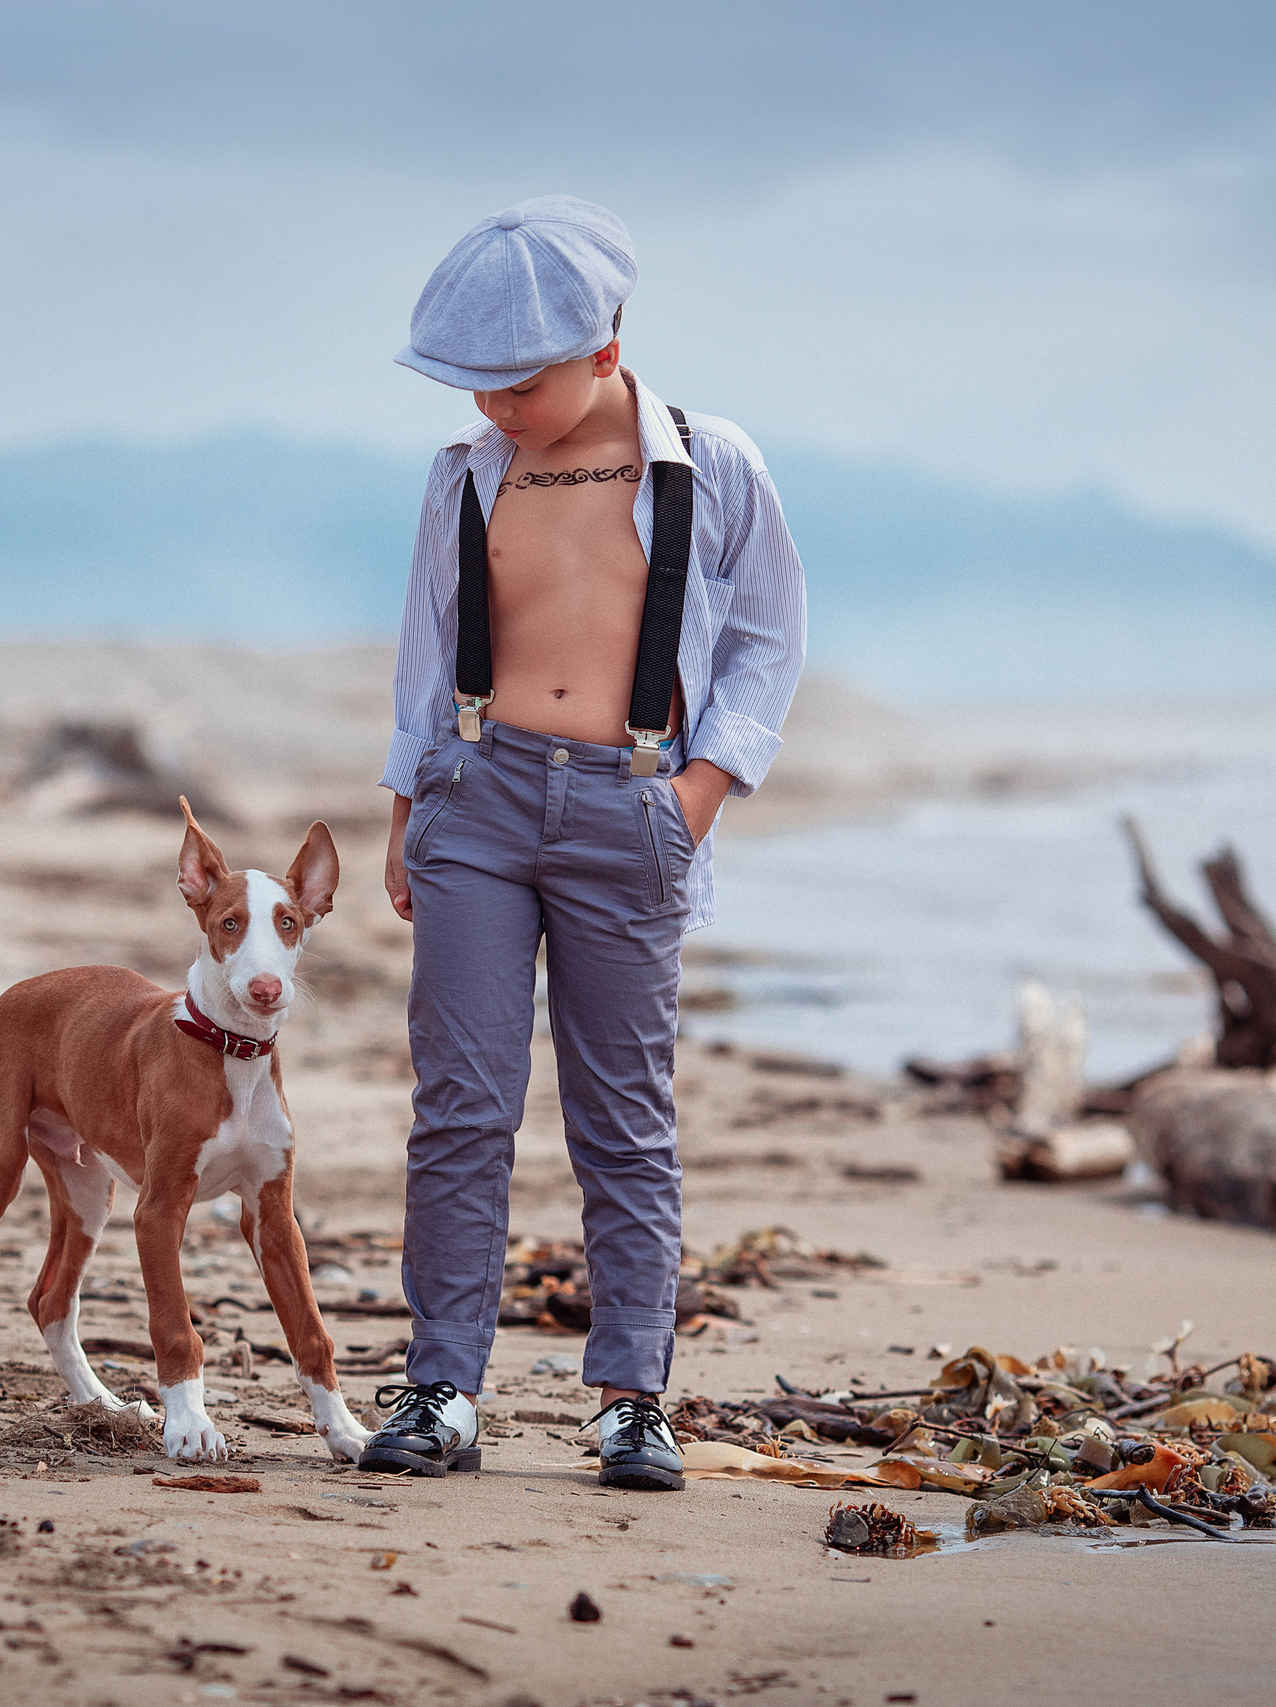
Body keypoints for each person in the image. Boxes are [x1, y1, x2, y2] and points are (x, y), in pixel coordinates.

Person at [361, 197, 807, 1489]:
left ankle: (630, 1397)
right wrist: (407, 813)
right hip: (478, 805)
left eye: (519, 380)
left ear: (605, 348)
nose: (496, 406)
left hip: (636, 806)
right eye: (476, 384)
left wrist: (702, 793)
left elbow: (770, 642)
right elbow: (426, 655)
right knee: (461, 1107)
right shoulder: (465, 474)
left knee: (625, 1120)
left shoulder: (711, 464)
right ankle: (441, 1387)